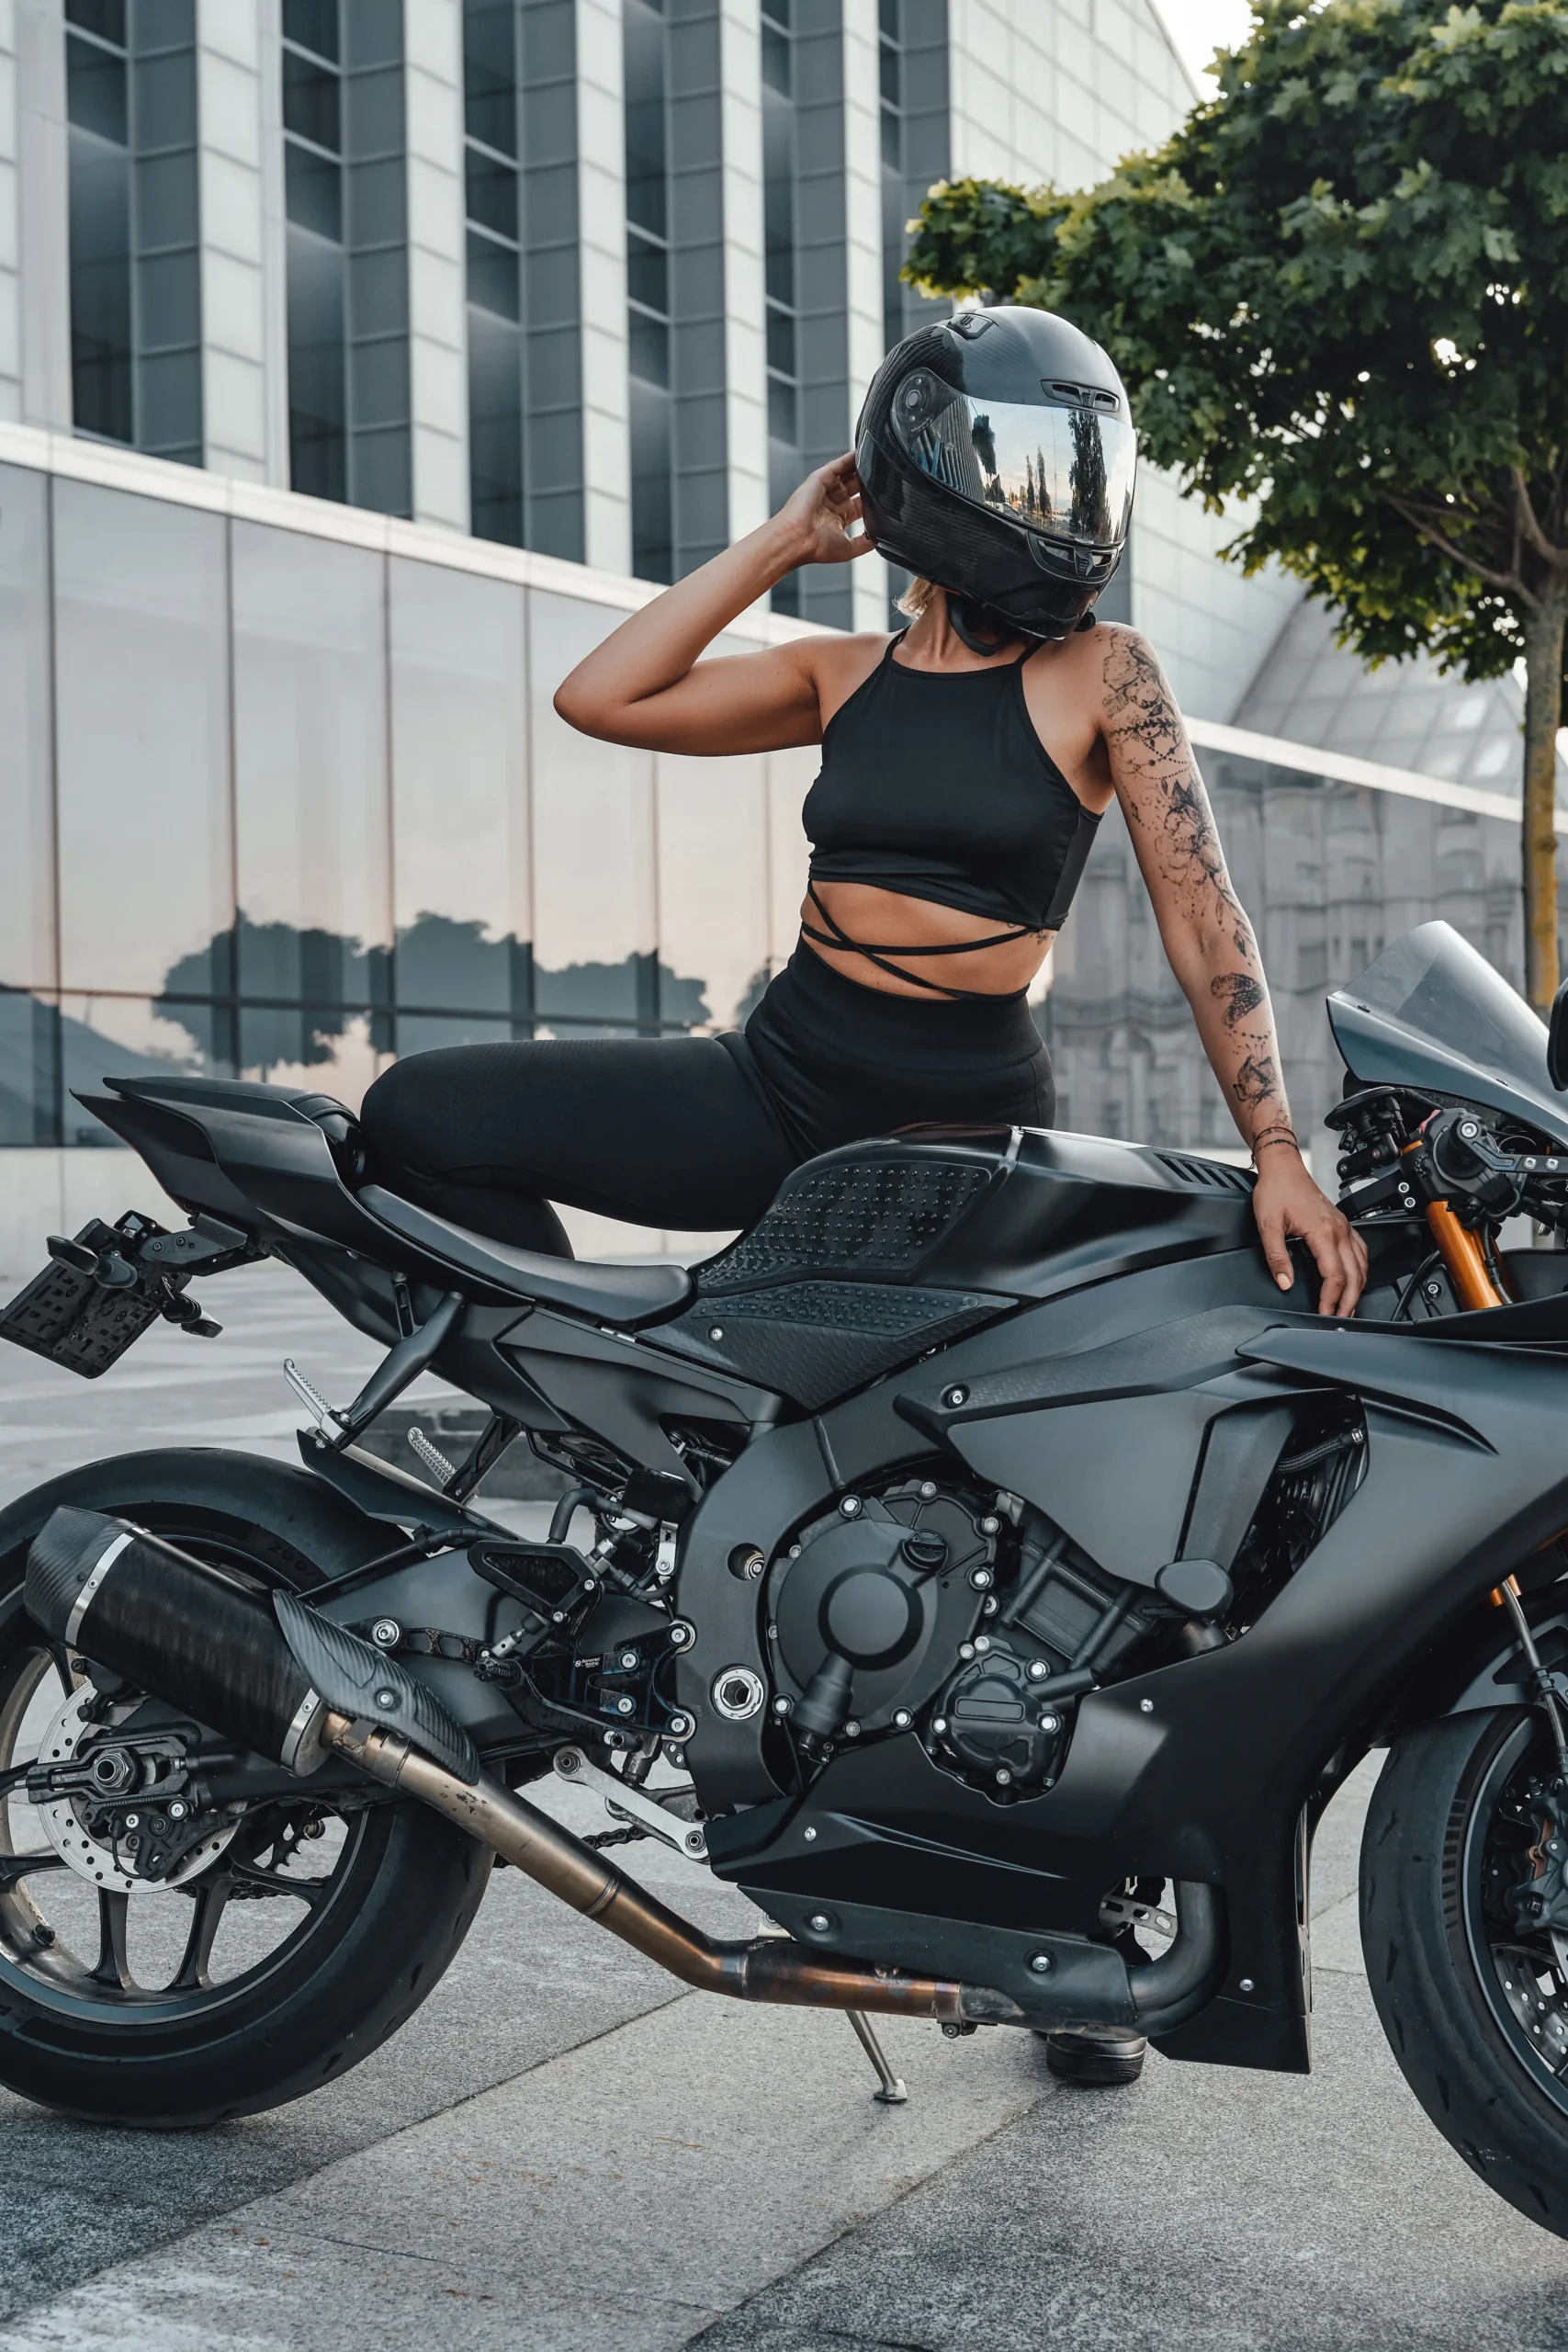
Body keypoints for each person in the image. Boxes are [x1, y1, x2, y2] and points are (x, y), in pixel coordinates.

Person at [362, 304, 1366, 2094]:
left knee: (1050, 1533)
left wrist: (1277, 1143)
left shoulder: (1106, 675)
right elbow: (607, 693)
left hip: (966, 1145)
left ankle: (1076, 1934)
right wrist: (781, 537)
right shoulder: (837, 670)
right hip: (780, 1089)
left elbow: (1208, 919)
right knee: (422, 1114)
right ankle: (579, 1421)